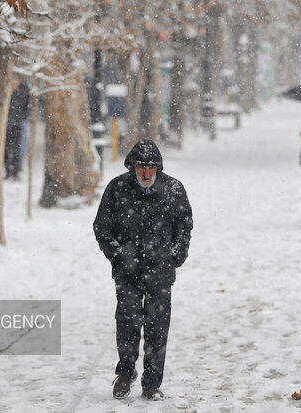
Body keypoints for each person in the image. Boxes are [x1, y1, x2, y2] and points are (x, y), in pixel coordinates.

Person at [93, 139, 193, 401]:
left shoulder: (173, 189)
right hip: (127, 272)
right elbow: (102, 227)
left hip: (160, 271)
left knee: (157, 328)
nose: (146, 173)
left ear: (158, 168)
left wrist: (175, 255)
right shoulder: (117, 189)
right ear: (133, 167)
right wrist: (118, 255)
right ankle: (125, 372)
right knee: (126, 323)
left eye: (151, 168)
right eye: (141, 167)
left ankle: (151, 384)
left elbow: (184, 224)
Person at [5, 76, 30, 180]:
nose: (14, 84)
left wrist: (22, 118)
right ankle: (8, 171)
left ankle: (16, 171)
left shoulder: (23, 91)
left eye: (15, 81)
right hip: (6, 124)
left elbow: (27, 107)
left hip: (18, 124)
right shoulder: (6, 91)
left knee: (17, 148)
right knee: (6, 149)